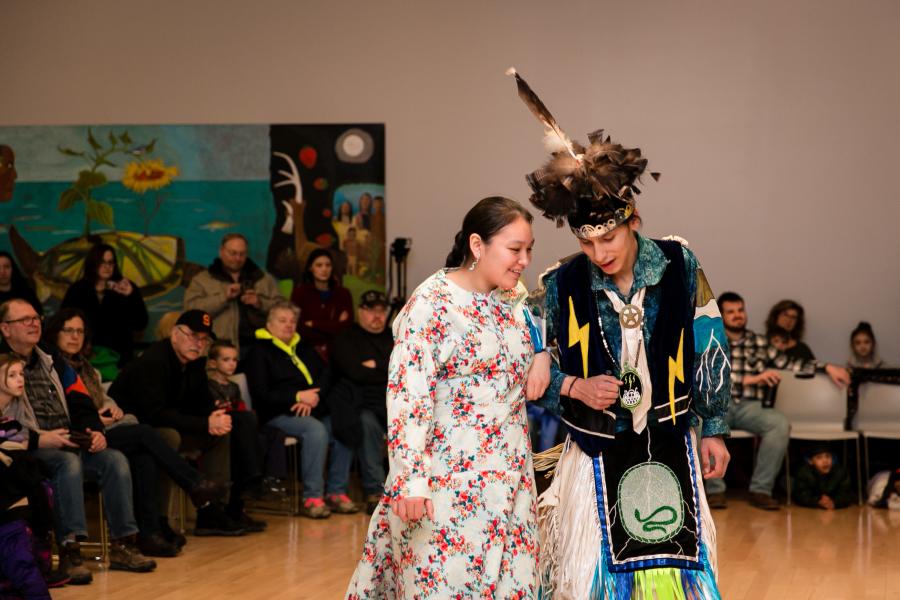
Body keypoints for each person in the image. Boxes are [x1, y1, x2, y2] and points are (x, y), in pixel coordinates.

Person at [506, 70, 729, 598]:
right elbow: (521, 355)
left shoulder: (679, 261)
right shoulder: (560, 283)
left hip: (671, 436)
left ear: (633, 220)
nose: (599, 253)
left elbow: (710, 344)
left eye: (608, 237)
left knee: (676, 569)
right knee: (590, 574)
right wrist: (573, 385)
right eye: (587, 244)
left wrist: (714, 425)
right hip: (596, 448)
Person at [347, 196, 540, 598]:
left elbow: (535, 342)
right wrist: (409, 479)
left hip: (511, 481)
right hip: (447, 485)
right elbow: (407, 395)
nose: (524, 260)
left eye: (528, 250)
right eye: (514, 249)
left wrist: (542, 353)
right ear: (476, 245)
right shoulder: (431, 303)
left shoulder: (514, 299)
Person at [44, 308, 228, 556]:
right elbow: (58, 411)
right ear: (55, 333)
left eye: (80, 331)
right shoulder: (51, 367)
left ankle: (149, 532)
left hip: (102, 429)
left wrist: (110, 411)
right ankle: (194, 483)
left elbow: (103, 399)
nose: (75, 336)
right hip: (76, 434)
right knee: (146, 434)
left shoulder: (87, 368)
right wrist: (94, 418)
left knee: (145, 454)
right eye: (68, 330)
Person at [0, 299, 156, 583]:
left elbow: (80, 397)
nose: (34, 323)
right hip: (27, 449)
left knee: (114, 459)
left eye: (36, 318)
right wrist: (39, 438)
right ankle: (70, 551)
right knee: (67, 463)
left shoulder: (50, 356)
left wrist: (94, 429)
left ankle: (123, 544)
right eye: (25, 320)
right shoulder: (2, 363)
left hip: (69, 438)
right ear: (5, 329)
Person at [109, 309, 265, 537]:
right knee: (169, 436)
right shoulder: (155, 361)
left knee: (224, 428)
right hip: (133, 429)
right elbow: (155, 414)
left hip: (168, 424)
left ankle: (214, 508)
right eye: (192, 336)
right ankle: (160, 519)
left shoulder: (194, 364)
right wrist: (205, 423)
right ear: (175, 333)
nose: (198, 343)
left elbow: (202, 405)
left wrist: (215, 419)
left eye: (203, 339)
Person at [707, 292, 850, 510]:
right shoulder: (710, 338)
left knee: (779, 423)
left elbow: (791, 363)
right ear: (721, 314)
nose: (737, 315)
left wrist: (827, 367)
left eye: (740, 310)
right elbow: (706, 374)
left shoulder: (760, 342)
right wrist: (750, 379)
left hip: (750, 407)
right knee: (700, 421)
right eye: (731, 311)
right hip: (718, 407)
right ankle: (714, 490)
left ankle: (761, 490)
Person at [244, 301, 358, 518]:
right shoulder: (258, 352)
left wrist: (313, 396)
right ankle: (312, 497)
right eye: (282, 320)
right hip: (277, 413)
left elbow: (328, 374)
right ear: (269, 324)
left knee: (343, 424)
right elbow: (261, 394)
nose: (288, 325)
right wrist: (297, 396)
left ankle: (336, 492)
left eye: (292, 321)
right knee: (316, 430)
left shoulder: (303, 346)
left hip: (311, 407)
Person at [0, 353, 64, 597]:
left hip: (15, 478)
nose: (20, 380)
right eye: (12, 375)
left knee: (36, 473)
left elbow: (24, 437)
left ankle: (43, 546)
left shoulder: (18, 405)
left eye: (21, 374)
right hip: (10, 488)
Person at [329, 290, 393, 514]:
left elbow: (401, 371)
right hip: (359, 404)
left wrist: (374, 366)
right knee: (366, 422)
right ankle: (375, 491)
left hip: (394, 403)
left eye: (382, 311)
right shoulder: (346, 338)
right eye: (371, 311)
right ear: (360, 312)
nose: (377, 316)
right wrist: (384, 368)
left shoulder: (395, 336)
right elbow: (354, 372)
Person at [183, 233, 283, 355]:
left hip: (260, 349)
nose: (237, 258)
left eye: (242, 254)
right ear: (221, 252)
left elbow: (283, 309)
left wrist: (259, 302)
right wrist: (223, 298)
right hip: (219, 350)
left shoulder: (263, 279)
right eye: (233, 253)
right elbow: (191, 312)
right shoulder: (202, 280)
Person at [61, 243, 149, 367]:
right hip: (84, 358)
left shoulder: (125, 287)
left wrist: (131, 295)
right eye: (102, 262)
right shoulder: (78, 289)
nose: (107, 267)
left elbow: (141, 323)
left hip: (119, 360)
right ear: (93, 263)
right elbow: (63, 322)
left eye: (110, 262)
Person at [289, 248, 352, 361]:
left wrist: (313, 323)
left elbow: (346, 328)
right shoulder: (300, 293)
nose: (324, 269)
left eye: (328, 265)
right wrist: (334, 324)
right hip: (307, 351)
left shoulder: (343, 293)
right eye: (319, 265)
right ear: (310, 268)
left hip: (338, 352)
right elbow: (299, 328)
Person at [792, 444, 854, 510]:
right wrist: (818, 501)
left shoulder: (840, 472)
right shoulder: (804, 473)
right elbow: (800, 495)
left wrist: (835, 503)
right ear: (810, 461)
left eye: (828, 456)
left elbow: (847, 494)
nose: (825, 461)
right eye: (819, 457)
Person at [207, 339, 248, 412]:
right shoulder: (207, 386)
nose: (232, 364)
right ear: (213, 363)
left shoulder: (235, 387)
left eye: (234, 360)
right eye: (226, 360)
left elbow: (241, 410)